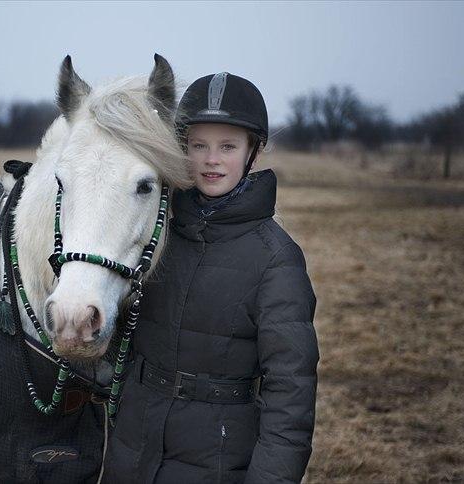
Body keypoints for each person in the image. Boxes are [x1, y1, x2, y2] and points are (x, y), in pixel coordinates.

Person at [104, 72, 319, 483]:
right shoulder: (155, 233)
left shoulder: (277, 259)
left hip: (218, 457)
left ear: (252, 151)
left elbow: (290, 393)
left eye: (227, 146)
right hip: (131, 448)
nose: (211, 159)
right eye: (197, 145)